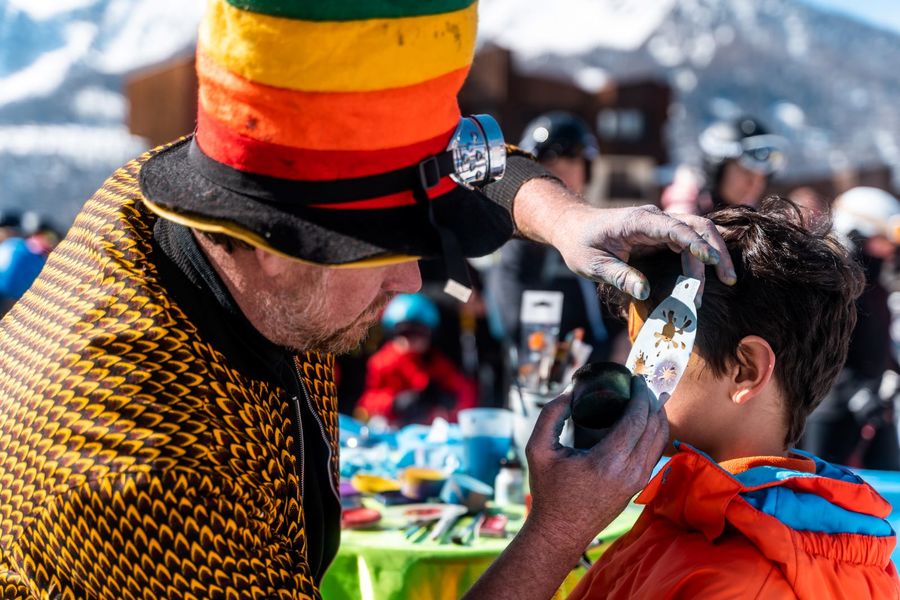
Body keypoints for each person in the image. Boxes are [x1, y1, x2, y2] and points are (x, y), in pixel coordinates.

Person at [0, 2, 736, 598]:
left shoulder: (197, 181)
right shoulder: (144, 486)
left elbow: (456, 161)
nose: (413, 281)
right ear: (263, 236)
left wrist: (568, 220)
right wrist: (555, 535)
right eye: (380, 251)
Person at [569, 197, 899, 598]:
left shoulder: (737, 580)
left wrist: (554, 533)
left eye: (648, 352)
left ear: (746, 369)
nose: (629, 376)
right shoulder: (693, 509)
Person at [486, 111, 621, 362]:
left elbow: (619, 315)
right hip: (534, 379)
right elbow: (511, 323)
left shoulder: (604, 237)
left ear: (586, 171)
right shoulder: (515, 242)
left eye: (571, 163)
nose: (561, 175)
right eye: (549, 167)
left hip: (602, 378)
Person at [801, 187, 900, 470]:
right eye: (882, 240)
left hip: (875, 410)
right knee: (824, 488)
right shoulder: (833, 287)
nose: (889, 249)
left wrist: (890, 375)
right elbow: (818, 348)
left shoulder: (878, 286)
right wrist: (854, 391)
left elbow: (876, 342)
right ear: (858, 234)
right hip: (831, 411)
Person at [355, 293, 477, 425]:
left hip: (426, 429)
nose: (412, 341)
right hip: (393, 428)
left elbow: (465, 391)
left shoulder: (435, 361)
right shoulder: (382, 363)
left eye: (419, 334)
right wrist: (394, 403)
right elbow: (367, 401)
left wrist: (450, 400)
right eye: (405, 333)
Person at [661, 115, 786, 214]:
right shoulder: (688, 197)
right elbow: (678, 220)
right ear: (719, 170)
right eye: (747, 172)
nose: (754, 186)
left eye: (762, 178)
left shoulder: (752, 209)